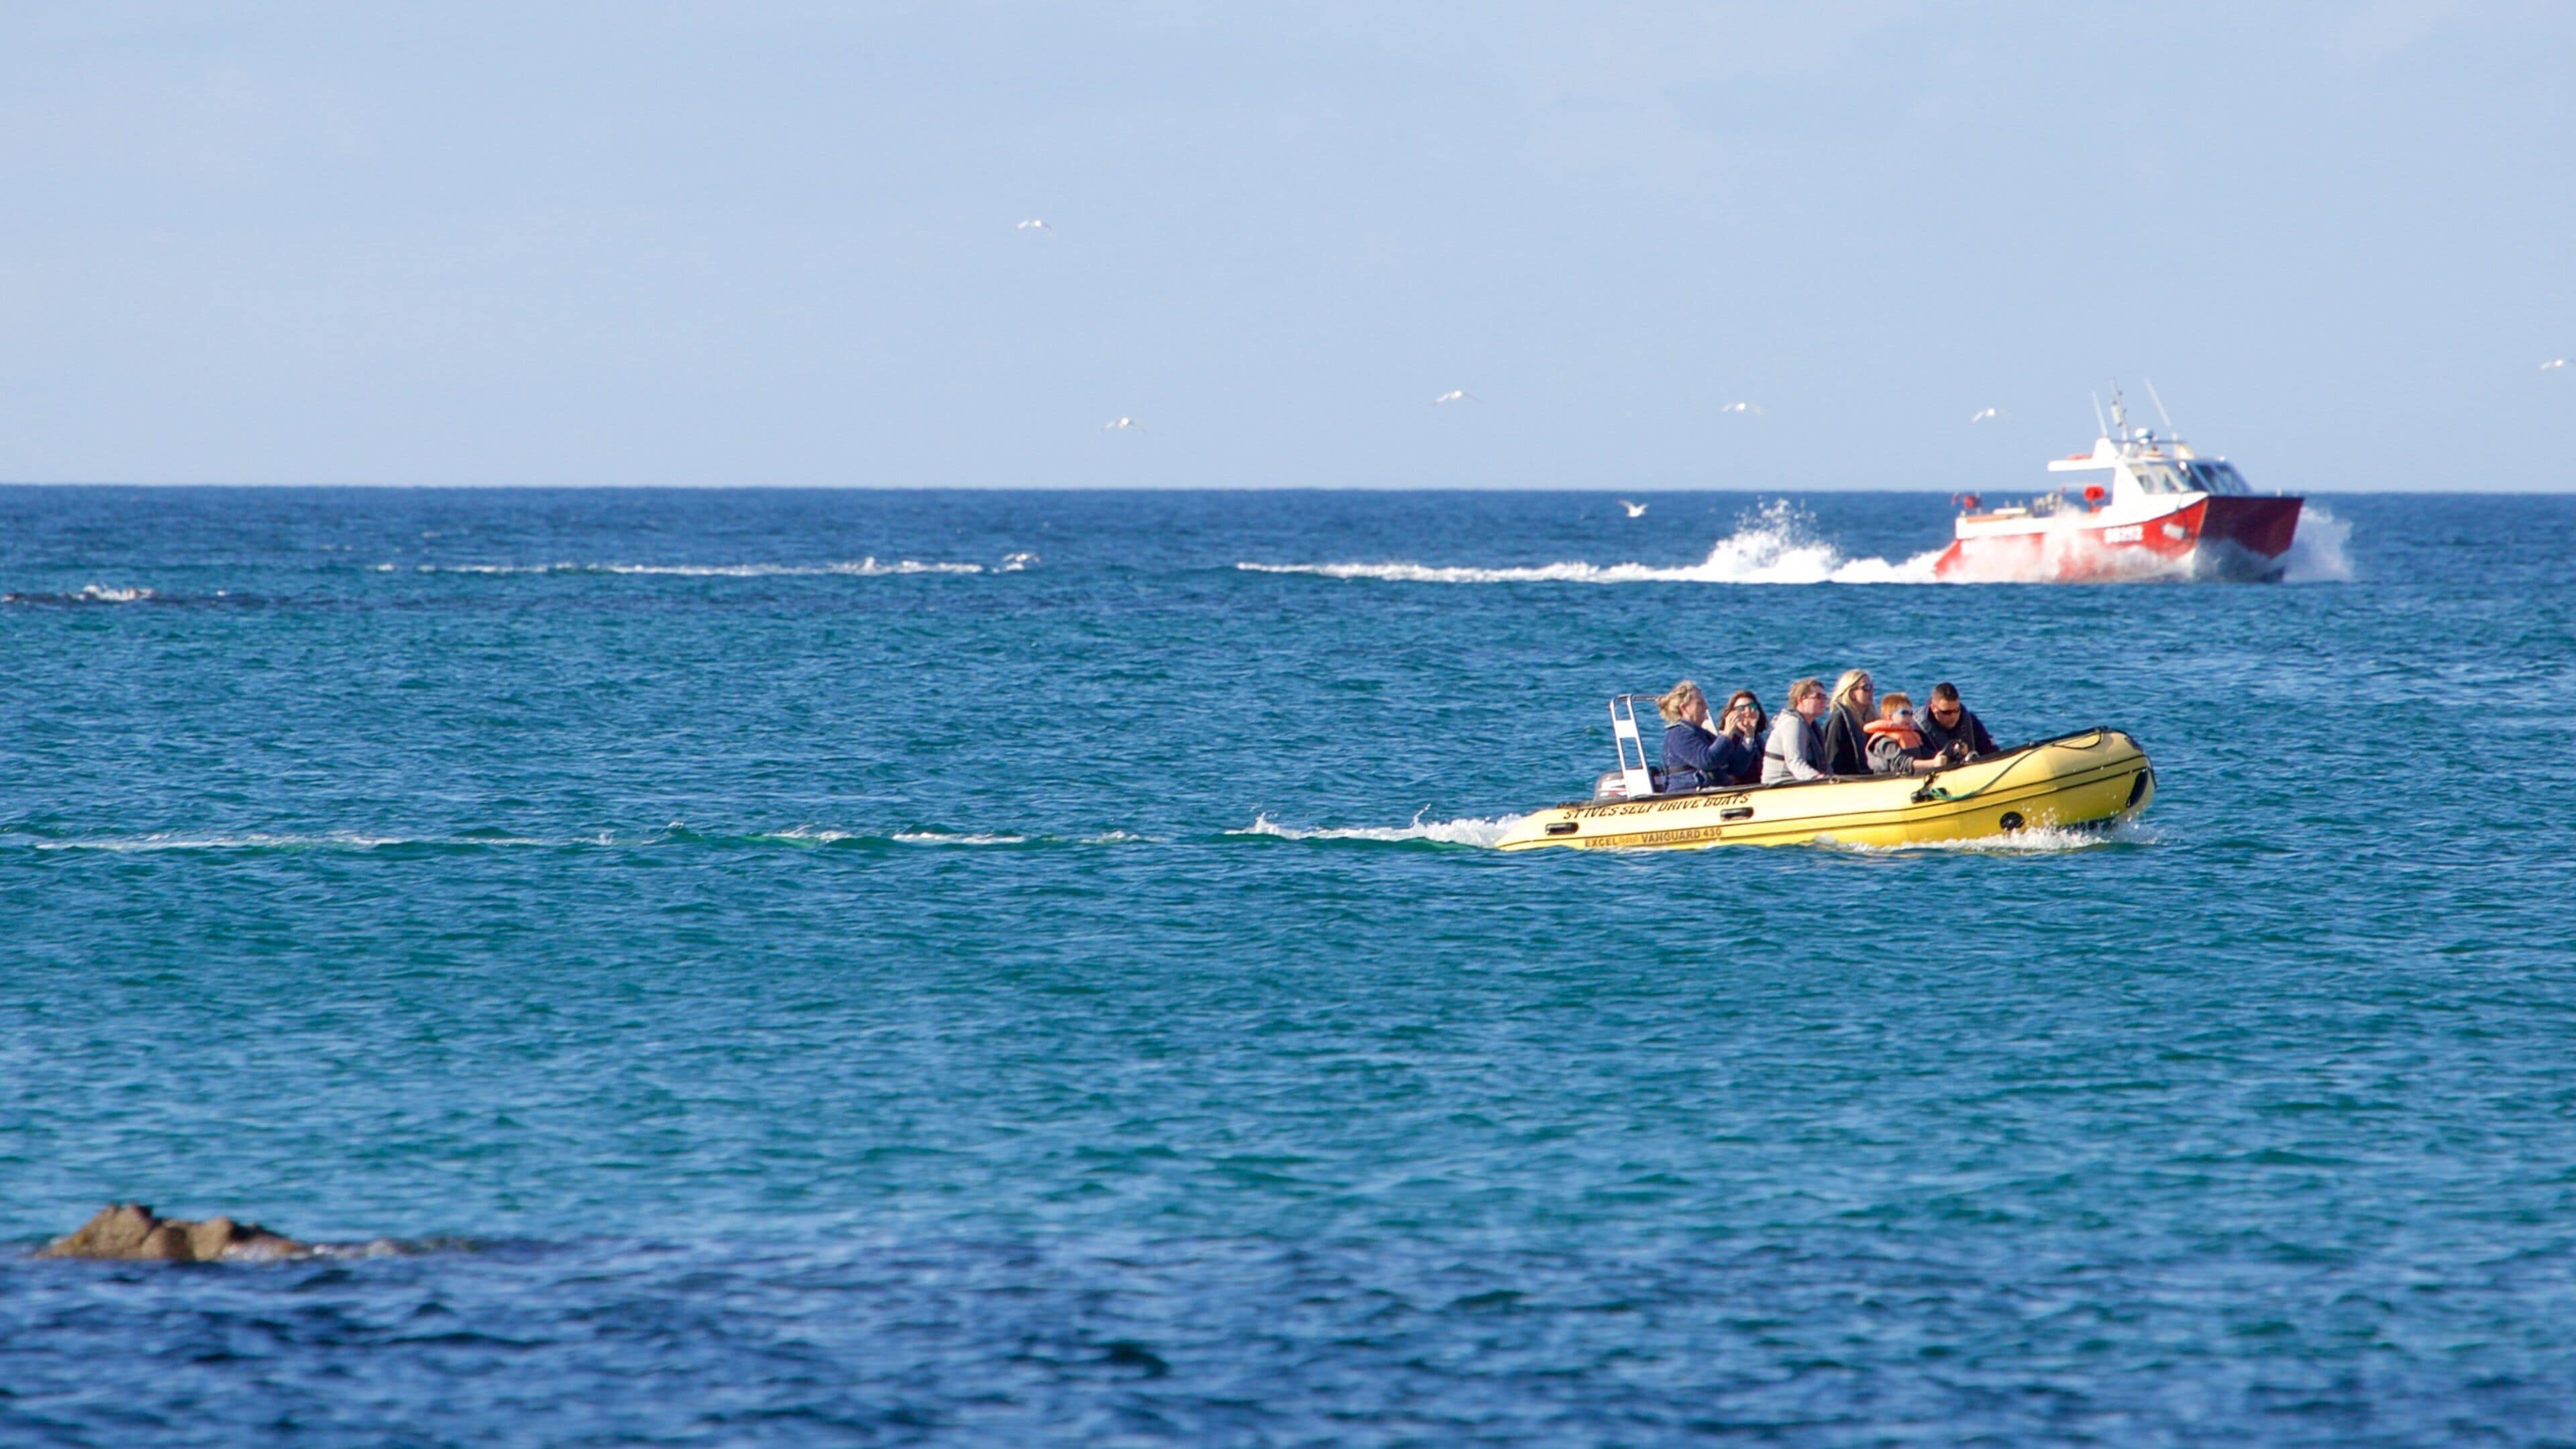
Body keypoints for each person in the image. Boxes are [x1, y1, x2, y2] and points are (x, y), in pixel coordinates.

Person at [1655, 680, 1758, 793]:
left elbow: (1736, 768)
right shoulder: (1679, 735)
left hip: (1715, 791)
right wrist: (1727, 734)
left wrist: (1749, 736)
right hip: (1689, 792)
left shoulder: (1704, 735)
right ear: (1684, 708)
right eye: (1700, 703)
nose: (1706, 707)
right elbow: (1707, 761)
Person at [1761, 677, 1831, 784]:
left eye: (1824, 697)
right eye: (1818, 697)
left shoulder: (1811, 727)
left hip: (1798, 783)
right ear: (1800, 700)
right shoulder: (1793, 724)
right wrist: (1820, 779)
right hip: (1780, 784)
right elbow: (1795, 762)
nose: (1823, 701)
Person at [1864, 691, 1943, 776]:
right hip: (1890, 780)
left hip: (1912, 776)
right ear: (1890, 717)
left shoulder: (1912, 735)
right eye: (1904, 713)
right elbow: (1900, 763)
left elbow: (1926, 754)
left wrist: (1943, 755)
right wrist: (1933, 763)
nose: (1909, 717)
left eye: (1911, 714)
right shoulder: (1884, 740)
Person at [1815, 669, 1875, 777]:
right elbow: (1832, 758)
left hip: (1868, 775)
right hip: (1848, 778)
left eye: (1872, 687)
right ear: (1851, 693)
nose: (1871, 691)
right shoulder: (1839, 719)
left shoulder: (1871, 717)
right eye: (1866, 688)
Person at [1917, 682, 1998, 761]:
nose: (1953, 716)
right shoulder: (1916, 728)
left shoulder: (1971, 722)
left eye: (1956, 710)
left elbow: (1991, 751)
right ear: (1933, 708)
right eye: (1947, 712)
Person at [1713, 688, 1768, 786]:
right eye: (1741, 708)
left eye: (1752, 706)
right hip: (1739, 789)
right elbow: (1736, 769)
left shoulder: (1759, 738)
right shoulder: (1728, 740)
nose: (1748, 711)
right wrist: (1748, 737)